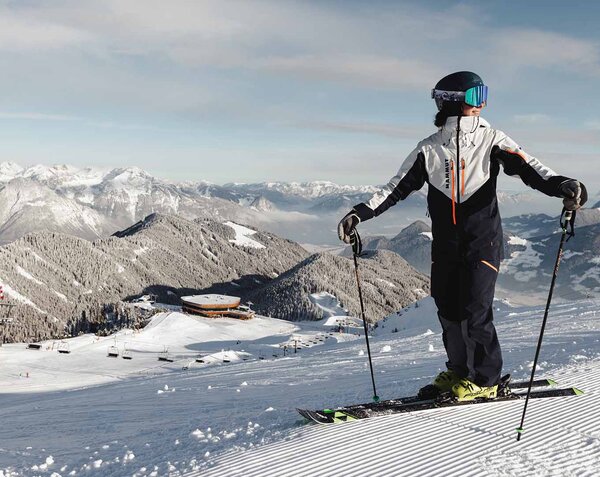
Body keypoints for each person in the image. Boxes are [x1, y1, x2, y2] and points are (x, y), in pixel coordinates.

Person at [337, 71, 587, 401]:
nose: (481, 104)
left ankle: (484, 380)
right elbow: (394, 189)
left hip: (483, 241)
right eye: (475, 96)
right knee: (448, 308)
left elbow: (532, 169)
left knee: (475, 309)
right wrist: (360, 213)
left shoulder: (493, 139)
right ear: (454, 101)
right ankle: (458, 371)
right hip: (445, 245)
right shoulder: (428, 149)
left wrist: (564, 186)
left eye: (482, 95)